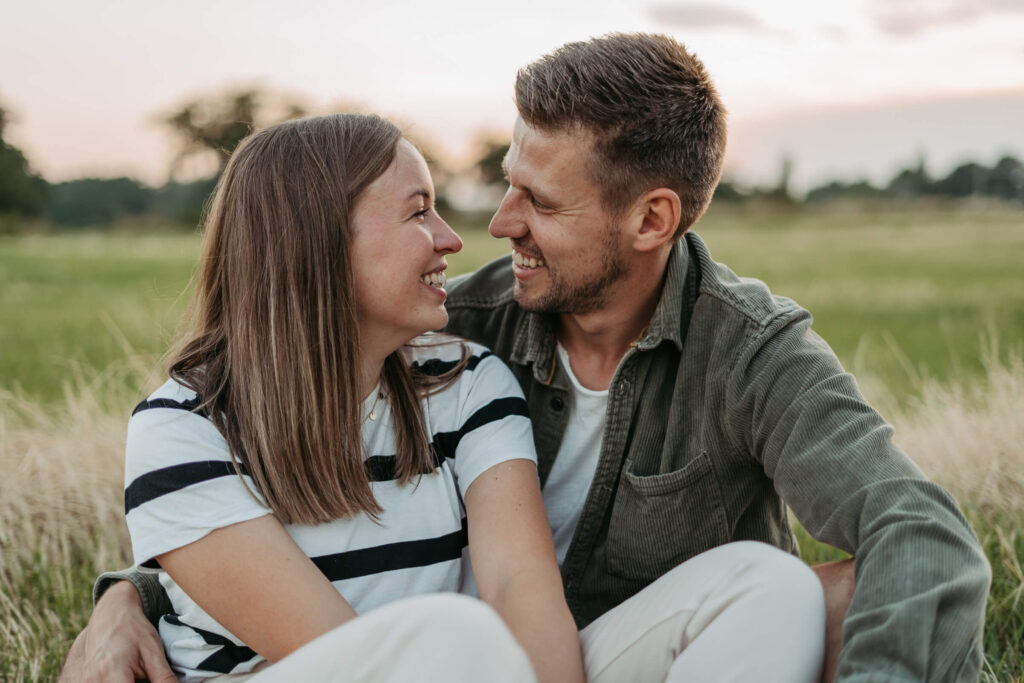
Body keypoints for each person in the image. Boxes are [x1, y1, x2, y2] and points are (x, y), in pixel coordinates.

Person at [63, 32, 989, 682]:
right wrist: (129, 597)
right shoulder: (455, 323)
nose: (490, 231)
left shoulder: (727, 355)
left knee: (778, 586)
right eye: (498, 188)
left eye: (538, 202)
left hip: (577, 657)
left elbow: (922, 535)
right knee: (455, 642)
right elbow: (240, 486)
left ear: (651, 219)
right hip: (444, 659)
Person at [81, 111, 586, 682]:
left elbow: (521, 591)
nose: (451, 239)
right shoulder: (181, 429)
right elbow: (346, 659)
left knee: (707, 595)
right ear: (317, 242)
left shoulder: (467, 381)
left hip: (457, 667)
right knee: (457, 630)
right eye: (419, 212)